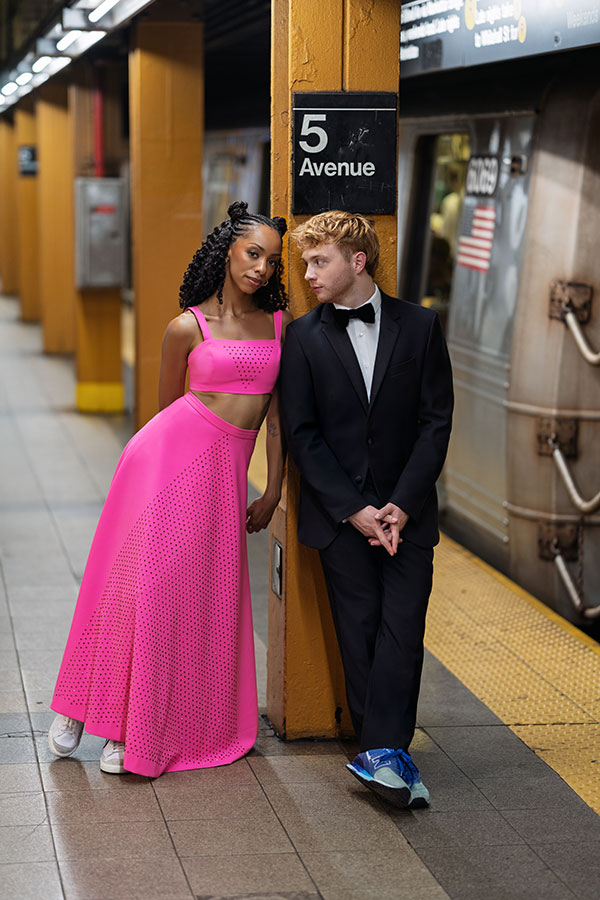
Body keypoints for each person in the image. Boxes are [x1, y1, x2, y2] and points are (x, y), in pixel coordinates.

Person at [48, 201, 291, 777]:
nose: (261, 268)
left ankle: (141, 722)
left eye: (271, 260)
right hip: (166, 466)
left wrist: (273, 490)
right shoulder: (187, 326)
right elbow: (164, 413)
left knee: (194, 600)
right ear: (227, 251)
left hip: (226, 479)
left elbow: (279, 420)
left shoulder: (281, 325)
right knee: (138, 586)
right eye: (252, 253)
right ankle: (90, 713)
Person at [280, 211, 453, 808]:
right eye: (305, 263)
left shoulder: (421, 326)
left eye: (318, 261)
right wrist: (355, 509)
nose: (308, 274)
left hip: (409, 515)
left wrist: (401, 504)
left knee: (403, 632)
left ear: (357, 261)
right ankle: (387, 754)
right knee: (358, 634)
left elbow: (435, 423)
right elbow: (302, 435)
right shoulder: (303, 337)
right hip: (341, 517)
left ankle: (382, 754)